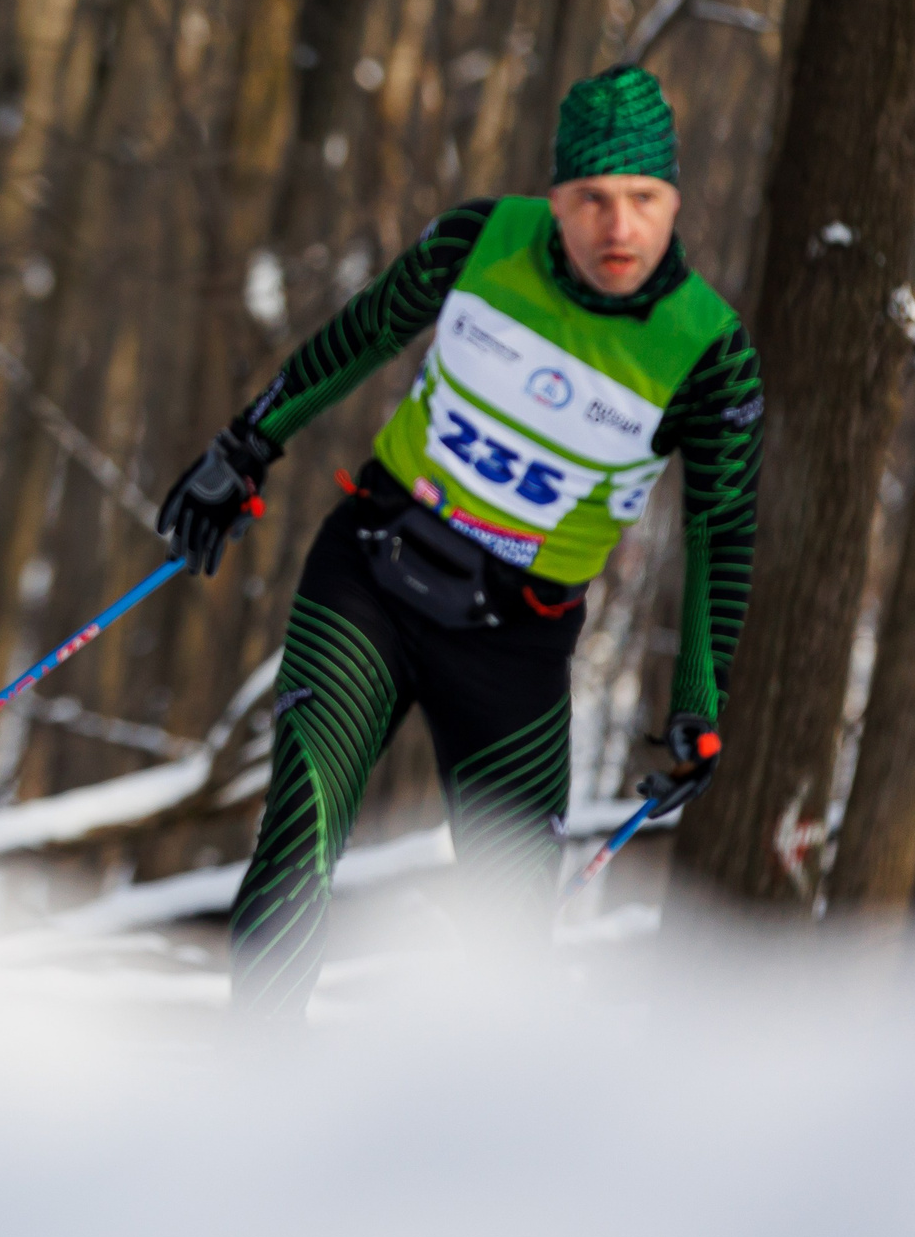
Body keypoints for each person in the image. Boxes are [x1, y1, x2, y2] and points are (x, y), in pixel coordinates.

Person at [156, 66, 762, 1015]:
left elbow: (721, 528)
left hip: (513, 644)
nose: (619, 227)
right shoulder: (482, 238)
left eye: (643, 199)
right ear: (554, 196)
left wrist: (699, 694)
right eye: (592, 198)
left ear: (673, 199)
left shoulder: (709, 350)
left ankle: (478, 1146)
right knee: (301, 830)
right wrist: (246, 444)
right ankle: (252, 1092)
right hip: (371, 575)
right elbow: (363, 332)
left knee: (512, 934)